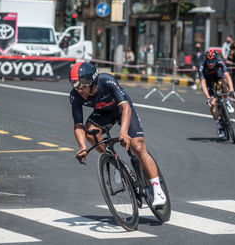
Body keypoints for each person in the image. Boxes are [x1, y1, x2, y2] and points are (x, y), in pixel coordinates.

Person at [69, 62, 167, 207]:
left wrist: (123, 132)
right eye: (74, 85)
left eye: (82, 85)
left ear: (92, 80)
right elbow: (78, 125)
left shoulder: (106, 80)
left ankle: (158, 190)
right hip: (103, 113)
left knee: (137, 146)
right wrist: (82, 146)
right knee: (90, 133)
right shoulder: (76, 95)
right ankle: (116, 164)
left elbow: (125, 107)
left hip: (123, 110)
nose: (79, 89)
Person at [199, 49, 235, 138]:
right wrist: (208, 97)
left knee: (223, 84)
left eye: (212, 61)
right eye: (209, 61)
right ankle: (219, 127)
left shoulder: (220, 62)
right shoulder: (202, 66)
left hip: (217, 76)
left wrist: (231, 90)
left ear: (216, 60)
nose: (210, 63)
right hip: (208, 81)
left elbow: (227, 75)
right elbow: (203, 83)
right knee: (213, 104)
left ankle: (227, 102)